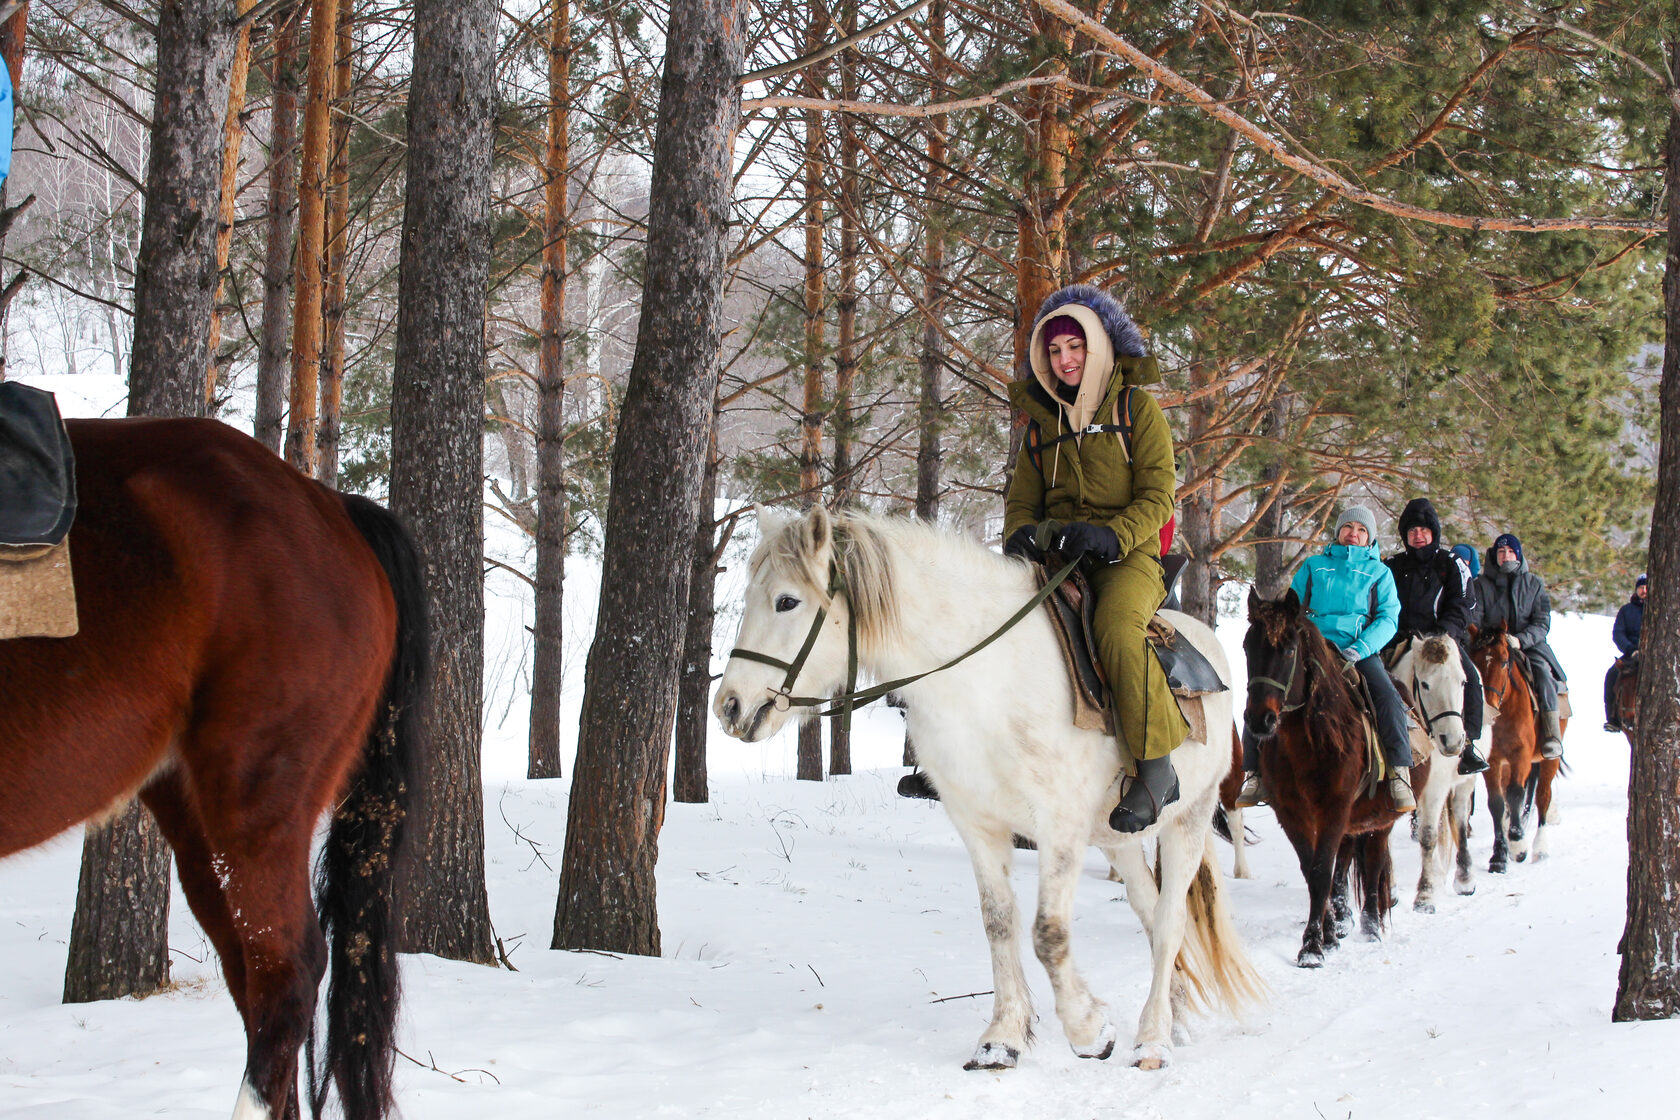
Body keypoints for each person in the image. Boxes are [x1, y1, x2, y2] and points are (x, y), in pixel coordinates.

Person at [1000, 284, 1188, 833]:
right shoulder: (1042, 423)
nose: (1065, 360)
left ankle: (1156, 766)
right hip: (1058, 555)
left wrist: (1113, 537)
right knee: (1005, 622)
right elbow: (1021, 501)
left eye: (1074, 347)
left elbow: (1159, 496)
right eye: (1054, 352)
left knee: (1113, 627)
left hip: (1127, 557)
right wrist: (1019, 535)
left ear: (1099, 347)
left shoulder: (1137, 409)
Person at [1237, 506, 1416, 811]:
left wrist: (1360, 649)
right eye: (1348, 527)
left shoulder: (1379, 573)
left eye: (1361, 530)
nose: (1353, 533)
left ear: (1369, 538)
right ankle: (1253, 773)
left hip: (1357, 651)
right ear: (1338, 532)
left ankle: (1400, 772)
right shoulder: (1314, 566)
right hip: (1311, 650)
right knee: (1267, 690)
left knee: (1387, 695)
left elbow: (1388, 618)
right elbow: (1292, 608)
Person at [1381, 498, 1488, 775]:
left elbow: (1464, 601)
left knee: (1472, 678)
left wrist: (1445, 633)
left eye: (1423, 531)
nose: (1418, 536)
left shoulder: (1451, 563)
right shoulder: (1392, 566)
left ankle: (1470, 745)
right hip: (1399, 638)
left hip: (1442, 639)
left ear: (1434, 533)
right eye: (1412, 531)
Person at [1473, 533, 1566, 758]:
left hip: (1529, 646)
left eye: (1511, 552)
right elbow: (1475, 618)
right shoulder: (1481, 584)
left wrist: (1521, 640)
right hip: (1491, 647)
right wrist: (1491, 639)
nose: (1506, 556)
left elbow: (1542, 622)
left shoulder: (1534, 584)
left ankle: (1551, 734)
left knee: (1543, 675)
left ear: (1519, 554)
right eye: (1501, 552)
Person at [1604, 574, 1646, 732]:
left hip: (1658, 658)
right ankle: (1613, 719)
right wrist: (1631, 649)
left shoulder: (1662, 609)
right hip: (1632, 655)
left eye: (1647, 587)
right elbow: (1618, 634)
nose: (1644, 590)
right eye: (1641, 587)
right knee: (1612, 675)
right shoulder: (1627, 610)